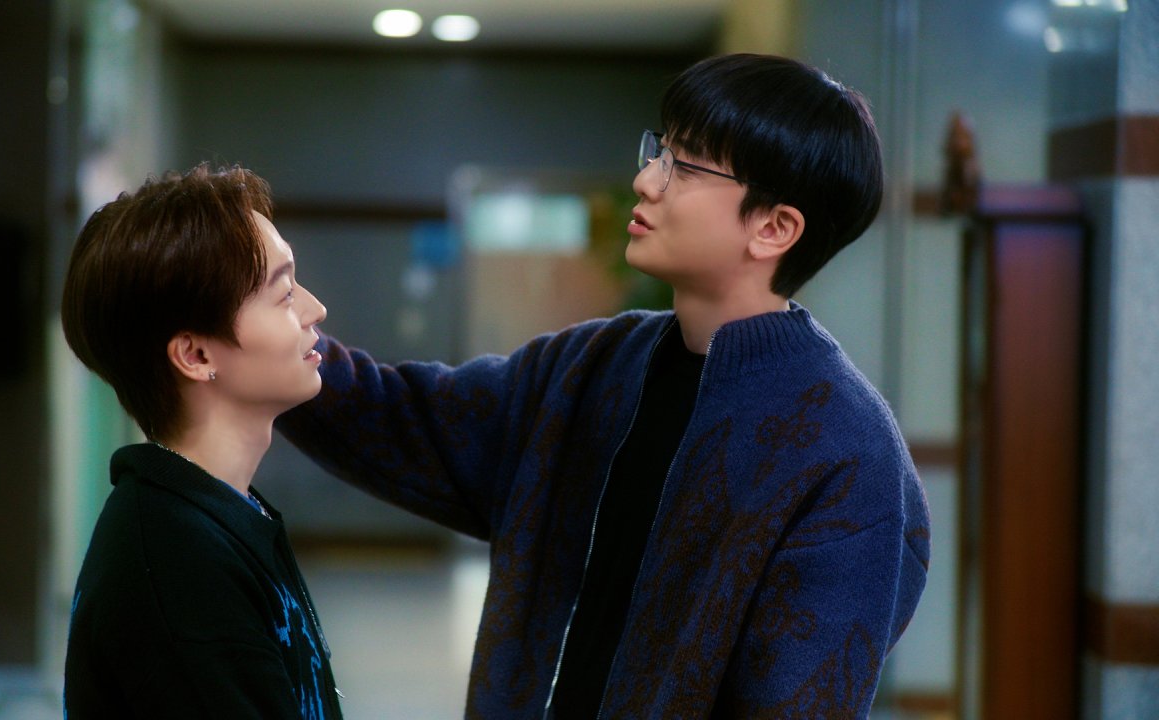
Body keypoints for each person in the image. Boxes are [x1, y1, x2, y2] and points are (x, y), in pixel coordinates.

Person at [277, 53, 930, 718]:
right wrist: (269, 326)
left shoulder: (849, 455)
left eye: (687, 165)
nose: (646, 179)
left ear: (774, 228)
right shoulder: (596, 365)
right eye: (661, 151)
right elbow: (401, 419)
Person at [61, 165, 344, 719]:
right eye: (285, 294)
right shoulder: (178, 568)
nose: (315, 309)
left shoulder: (218, 514)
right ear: (196, 355)